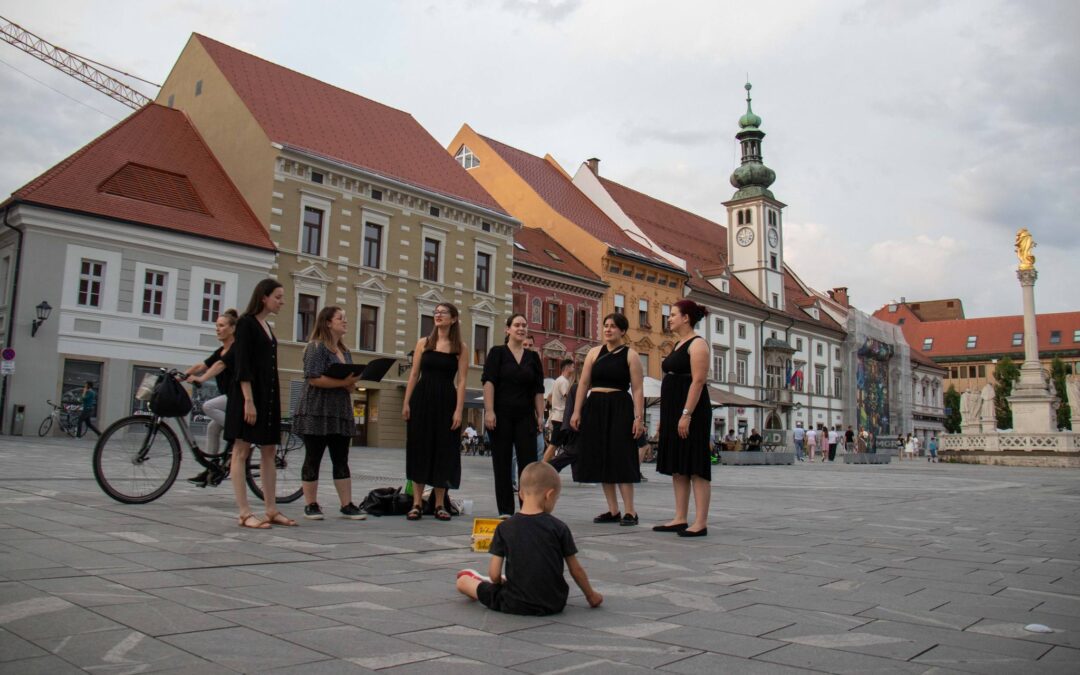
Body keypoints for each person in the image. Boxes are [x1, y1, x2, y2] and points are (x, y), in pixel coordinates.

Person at [455, 462, 602, 615]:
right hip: (554, 602)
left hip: (513, 602)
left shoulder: (504, 527)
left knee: (463, 582)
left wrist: (498, 582)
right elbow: (575, 570)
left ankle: (481, 579)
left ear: (520, 494)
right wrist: (591, 595)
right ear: (549, 495)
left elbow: (494, 574)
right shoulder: (559, 528)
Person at [225, 279, 292, 529]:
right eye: (278, 296)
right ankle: (244, 512)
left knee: (269, 450)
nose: (281, 301)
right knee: (241, 451)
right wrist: (248, 401)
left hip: (268, 395)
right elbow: (242, 364)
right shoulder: (246, 323)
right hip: (248, 396)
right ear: (263, 297)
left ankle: (271, 508)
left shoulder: (266, 326)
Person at [570, 312, 645, 526]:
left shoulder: (631, 355)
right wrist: (577, 411)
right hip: (595, 406)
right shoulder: (594, 353)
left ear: (622, 331)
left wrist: (638, 417)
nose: (608, 329)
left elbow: (638, 389)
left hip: (620, 406)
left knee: (621, 457)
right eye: (605, 325)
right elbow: (583, 384)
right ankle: (613, 510)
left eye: (613, 326)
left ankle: (630, 511)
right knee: (601, 457)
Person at [295, 306, 365, 521]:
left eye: (345, 318)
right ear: (327, 322)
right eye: (340, 318)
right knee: (313, 456)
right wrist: (344, 382)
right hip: (317, 409)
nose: (345, 321)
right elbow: (313, 378)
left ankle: (346, 504)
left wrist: (350, 384)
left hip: (339, 410)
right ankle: (311, 504)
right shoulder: (316, 347)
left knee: (341, 458)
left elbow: (349, 385)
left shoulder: (345, 351)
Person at [402, 302, 468, 521]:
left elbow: (462, 380)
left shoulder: (460, 347)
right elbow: (413, 374)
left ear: (454, 318)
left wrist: (459, 410)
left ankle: (440, 503)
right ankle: (417, 503)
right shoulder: (424, 342)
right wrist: (406, 402)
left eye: (443, 313)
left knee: (444, 450)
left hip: (446, 400)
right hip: (422, 398)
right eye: (436, 312)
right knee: (419, 448)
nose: (438, 315)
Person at [654, 299, 712, 538]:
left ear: (686, 318)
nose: (669, 318)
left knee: (696, 465)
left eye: (673, 314)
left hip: (692, 410)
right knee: (679, 466)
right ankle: (680, 517)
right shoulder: (679, 343)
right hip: (673, 409)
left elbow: (698, 381)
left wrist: (686, 414)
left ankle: (700, 522)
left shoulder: (698, 345)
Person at [482, 313, 545, 516]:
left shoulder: (533, 357)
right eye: (517, 325)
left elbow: (538, 389)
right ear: (507, 329)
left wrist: (540, 416)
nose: (521, 328)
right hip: (500, 415)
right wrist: (489, 411)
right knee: (502, 463)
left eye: (524, 325)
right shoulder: (497, 353)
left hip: (525, 416)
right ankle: (505, 510)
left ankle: (527, 508)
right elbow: (489, 382)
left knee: (527, 466)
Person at [184, 309, 239, 487]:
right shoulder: (221, 350)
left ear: (232, 328)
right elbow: (204, 364)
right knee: (212, 428)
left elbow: (219, 366)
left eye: (221, 325)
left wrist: (201, 378)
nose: (217, 329)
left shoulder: (236, 349)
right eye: (216, 326)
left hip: (240, 397)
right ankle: (212, 468)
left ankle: (239, 435)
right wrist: (183, 375)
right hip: (230, 397)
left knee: (209, 406)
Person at [542, 359, 575, 463]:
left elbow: (549, 397)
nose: (573, 369)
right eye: (573, 367)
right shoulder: (563, 381)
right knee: (554, 445)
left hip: (558, 416)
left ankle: (552, 465)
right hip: (561, 418)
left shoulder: (558, 380)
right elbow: (569, 398)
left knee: (564, 445)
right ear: (568, 367)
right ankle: (544, 466)